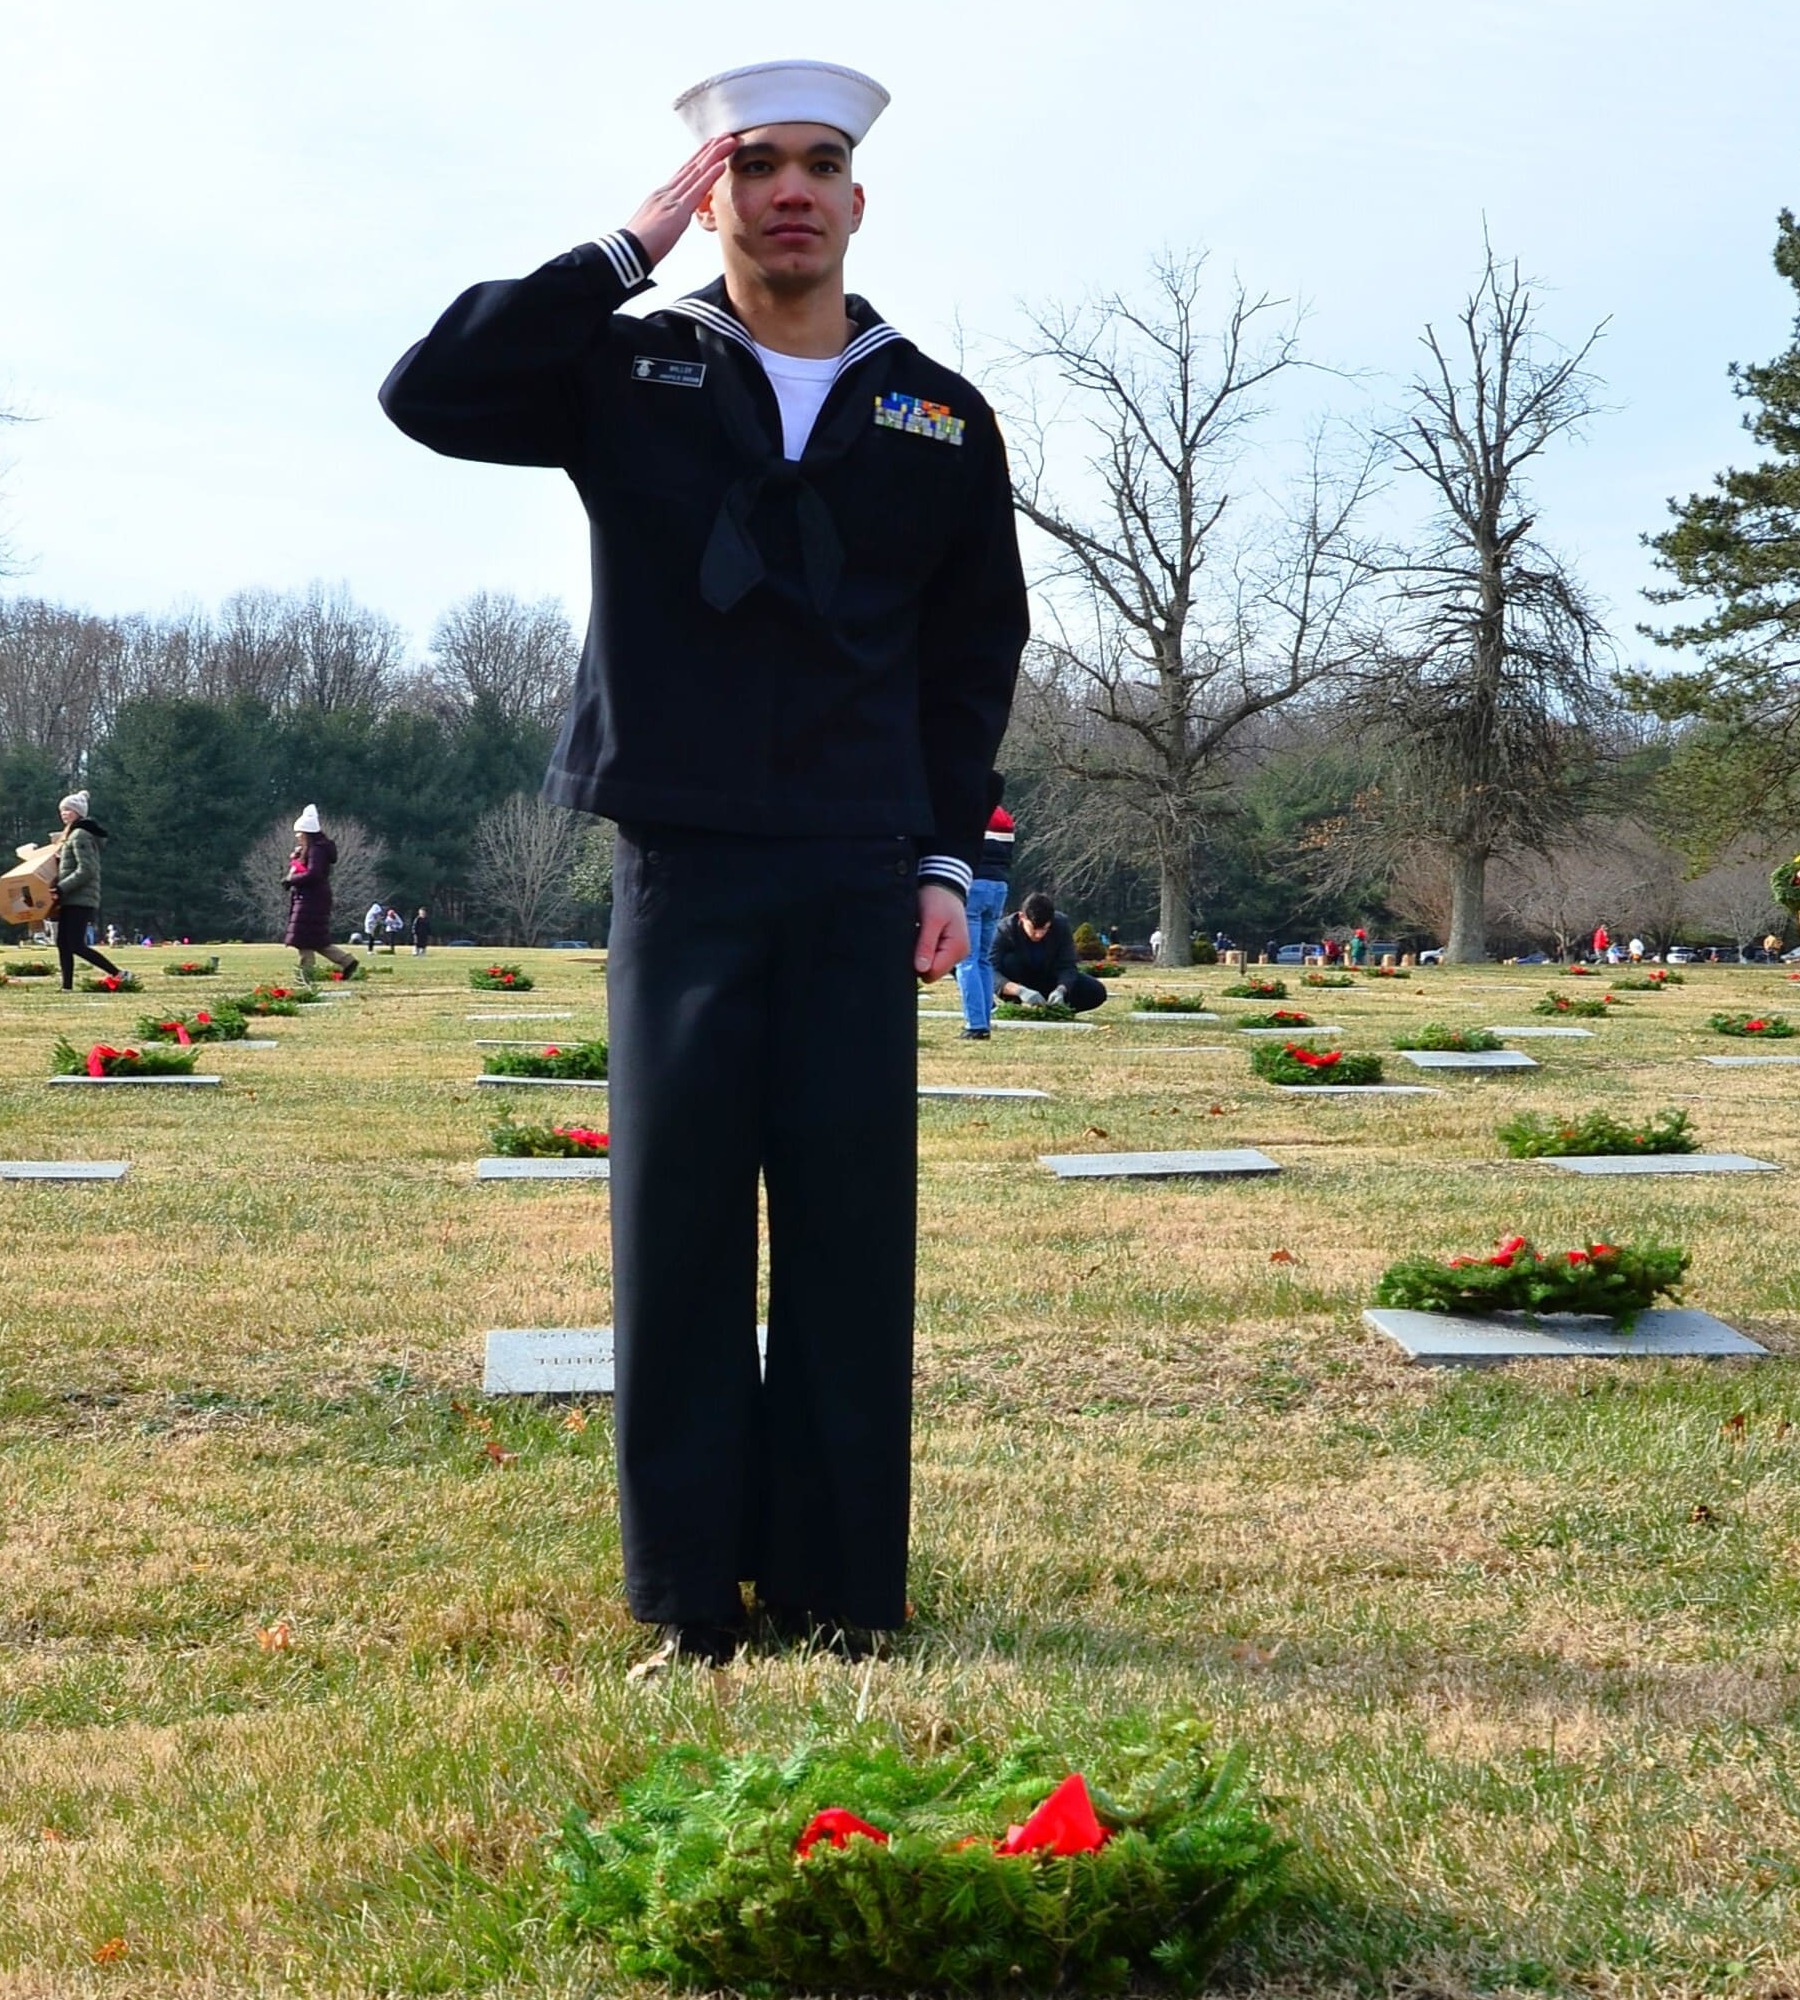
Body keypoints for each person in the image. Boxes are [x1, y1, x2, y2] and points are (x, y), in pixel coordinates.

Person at [381, 59, 1027, 1667]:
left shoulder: (936, 413)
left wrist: (947, 863)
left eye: (821, 165)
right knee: (674, 1238)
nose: (791, 190)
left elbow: (970, 659)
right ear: (713, 196)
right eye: (756, 167)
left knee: (847, 1235)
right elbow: (429, 391)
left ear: (860, 201)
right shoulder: (629, 369)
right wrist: (621, 248)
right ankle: (688, 1601)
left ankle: (838, 1591)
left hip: (861, 869)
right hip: (682, 862)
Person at [49, 790, 125, 991]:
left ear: (78, 812)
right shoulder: (70, 835)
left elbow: (87, 869)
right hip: (70, 897)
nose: (64, 813)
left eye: (68, 810)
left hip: (80, 898)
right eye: (62, 810)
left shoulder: (80, 834)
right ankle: (67, 986)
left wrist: (61, 888)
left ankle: (118, 973)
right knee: (63, 943)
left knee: (75, 944)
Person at [956, 797, 1013, 1040]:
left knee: (966, 959)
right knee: (983, 959)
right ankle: (985, 1020)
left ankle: (975, 1023)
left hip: (973, 883)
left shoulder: (965, 810)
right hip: (999, 885)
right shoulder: (1003, 817)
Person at [992, 893, 1108, 1014]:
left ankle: (1055, 1006)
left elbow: (1067, 965)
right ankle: (1020, 1005)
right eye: (1034, 929)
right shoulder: (1004, 930)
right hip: (1018, 981)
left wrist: (1061, 989)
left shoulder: (1061, 925)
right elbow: (991, 971)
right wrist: (1019, 991)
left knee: (1096, 991)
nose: (1039, 934)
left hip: (1048, 977)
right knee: (1009, 960)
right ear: (1022, 917)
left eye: (1044, 929)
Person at [285, 806, 360, 982]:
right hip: (313, 898)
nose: (297, 836)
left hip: (311, 899)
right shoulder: (314, 849)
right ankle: (346, 961)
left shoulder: (316, 850)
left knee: (303, 939)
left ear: (307, 834)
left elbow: (314, 874)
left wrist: (292, 880)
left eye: (299, 833)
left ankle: (306, 976)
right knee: (316, 939)